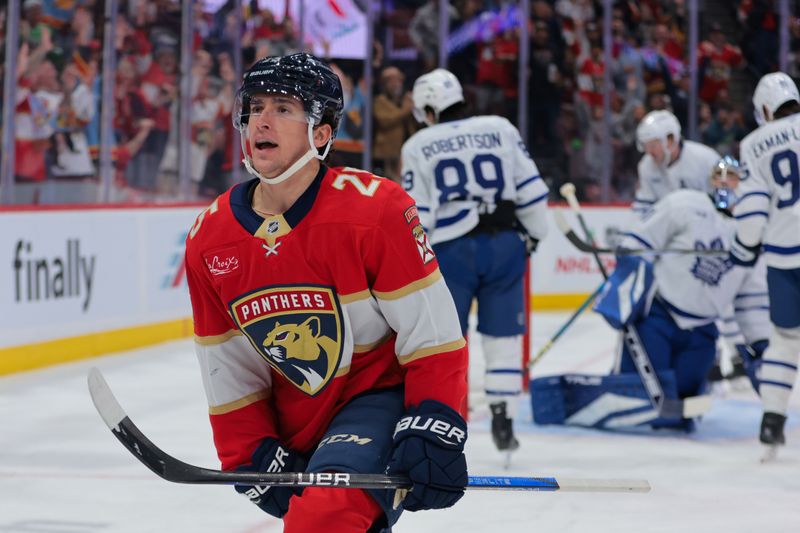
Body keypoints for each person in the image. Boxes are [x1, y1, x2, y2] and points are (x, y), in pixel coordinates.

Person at [184, 53, 469, 532]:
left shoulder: (375, 212)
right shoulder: (209, 239)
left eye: (283, 107)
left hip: (374, 401)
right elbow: (228, 363)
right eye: (254, 106)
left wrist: (434, 424)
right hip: (296, 416)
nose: (261, 120)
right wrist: (248, 449)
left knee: (325, 519)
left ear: (321, 134)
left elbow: (432, 334)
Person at [532, 156, 771, 430]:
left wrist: (758, 342)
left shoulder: (753, 232)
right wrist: (625, 280)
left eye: (733, 177)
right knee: (635, 402)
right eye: (720, 176)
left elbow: (749, 300)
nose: (725, 183)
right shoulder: (685, 204)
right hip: (658, 318)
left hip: (703, 331)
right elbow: (638, 241)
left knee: (681, 412)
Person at [400, 68, 549, 452]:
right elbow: (532, 191)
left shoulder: (419, 143)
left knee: (447, 339)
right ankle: (504, 416)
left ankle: (447, 418)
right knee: (504, 336)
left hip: (453, 252)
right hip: (505, 245)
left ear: (429, 108)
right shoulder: (500, 127)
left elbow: (420, 215)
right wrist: (534, 235)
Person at [730, 71, 800, 452]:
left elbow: (753, 216)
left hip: (784, 258)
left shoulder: (753, 144)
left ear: (765, 109)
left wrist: (744, 248)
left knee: (785, 340)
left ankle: (772, 421)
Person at [632, 109, 720, 218]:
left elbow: (728, 199)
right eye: (646, 146)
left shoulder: (707, 158)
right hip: (669, 227)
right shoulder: (646, 165)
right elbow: (643, 207)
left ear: (671, 140)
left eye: (653, 146)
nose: (649, 152)